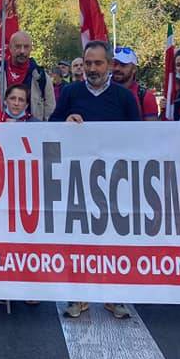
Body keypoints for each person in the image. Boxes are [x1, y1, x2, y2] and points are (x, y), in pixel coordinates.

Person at [50, 41, 140, 320]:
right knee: (80, 239)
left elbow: (141, 139)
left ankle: (115, 297)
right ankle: (79, 297)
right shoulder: (70, 92)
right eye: (88, 63)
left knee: (114, 239)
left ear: (109, 65)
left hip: (115, 180)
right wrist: (66, 121)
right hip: (78, 179)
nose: (92, 69)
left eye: (98, 63)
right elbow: (51, 125)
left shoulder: (124, 98)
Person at [0, 31, 56, 121]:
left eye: (26, 47)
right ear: (10, 48)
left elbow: (50, 111)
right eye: (18, 46)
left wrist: (41, 131)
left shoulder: (41, 77)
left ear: (31, 48)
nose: (22, 51)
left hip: (32, 133)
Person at [110, 47, 159, 121]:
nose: (117, 68)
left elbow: (151, 130)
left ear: (134, 69)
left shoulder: (146, 96)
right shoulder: (101, 91)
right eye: (115, 64)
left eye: (123, 65)